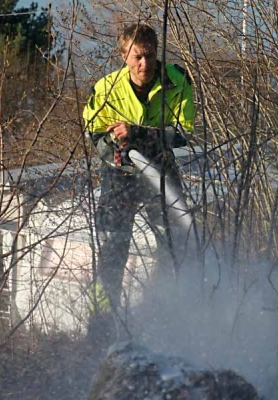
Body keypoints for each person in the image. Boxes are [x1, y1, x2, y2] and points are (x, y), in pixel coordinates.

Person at [82, 23, 196, 321]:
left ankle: (171, 315)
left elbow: (183, 133)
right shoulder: (105, 89)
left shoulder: (177, 80)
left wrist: (140, 135)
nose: (144, 64)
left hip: (161, 170)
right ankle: (101, 322)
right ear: (123, 56)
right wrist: (114, 148)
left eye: (149, 55)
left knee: (175, 245)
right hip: (118, 176)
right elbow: (93, 134)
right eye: (137, 57)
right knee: (112, 249)